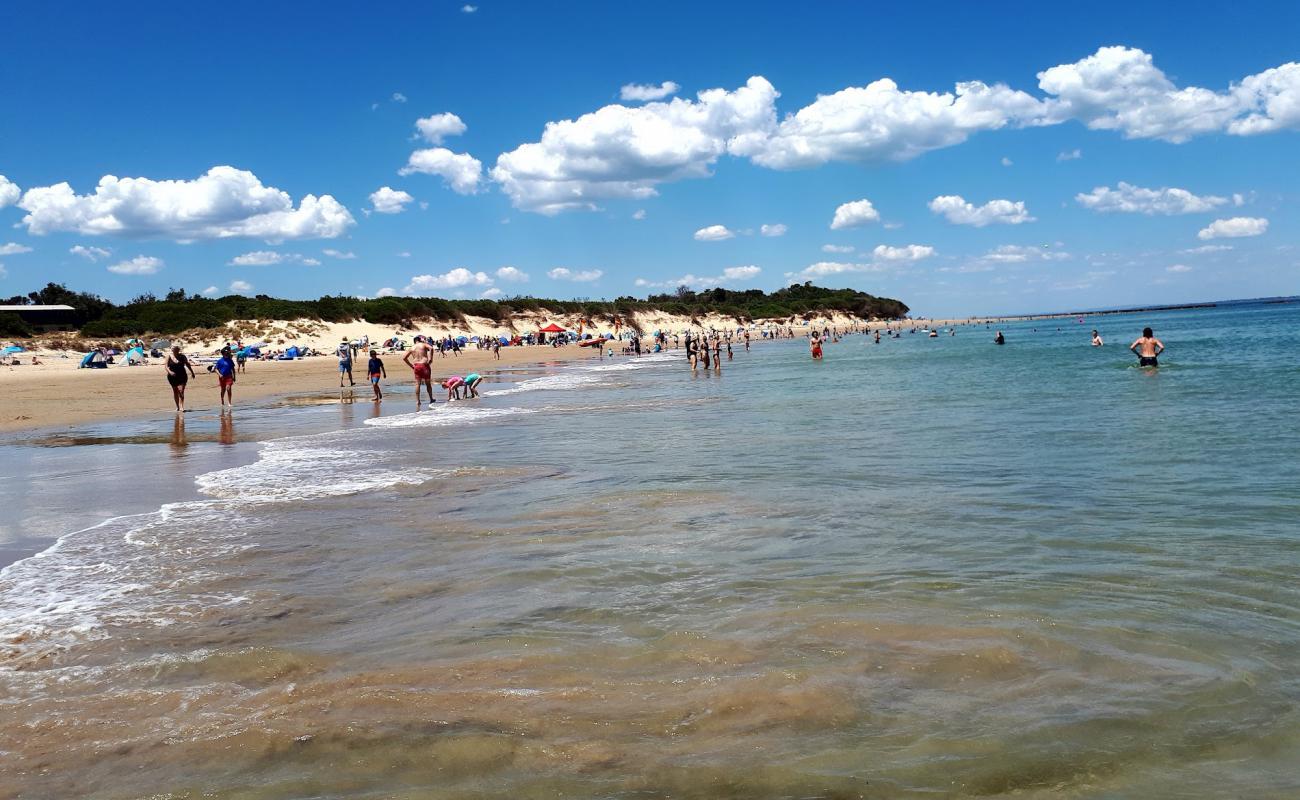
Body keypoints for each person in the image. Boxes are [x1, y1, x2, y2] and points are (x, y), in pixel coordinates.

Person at [403, 335, 436, 407]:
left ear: (414, 341)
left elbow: (404, 358)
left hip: (417, 366)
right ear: (419, 340)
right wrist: (430, 358)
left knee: (417, 384)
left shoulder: (412, 348)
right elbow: (431, 348)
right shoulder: (423, 344)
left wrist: (411, 365)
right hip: (424, 365)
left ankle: (418, 401)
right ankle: (431, 399)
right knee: (428, 383)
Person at [164, 345, 196, 413]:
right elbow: (166, 366)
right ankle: (177, 407)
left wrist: (192, 372)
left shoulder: (182, 356)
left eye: (176, 349)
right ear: (172, 350)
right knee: (175, 391)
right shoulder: (169, 356)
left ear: (178, 350)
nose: (175, 350)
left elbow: (187, 364)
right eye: (173, 349)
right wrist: (170, 372)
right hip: (172, 376)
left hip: (182, 375)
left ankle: (181, 406)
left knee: (181, 390)